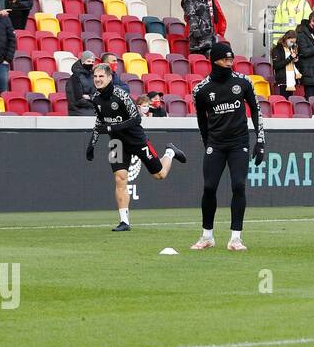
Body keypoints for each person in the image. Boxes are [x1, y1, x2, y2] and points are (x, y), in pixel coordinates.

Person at [86, 61, 186, 232]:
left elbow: (136, 119)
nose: (97, 79)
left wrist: (111, 128)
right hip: (116, 142)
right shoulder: (95, 98)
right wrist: (92, 143)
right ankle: (124, 221)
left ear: (110, 77)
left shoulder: (121, 94)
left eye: (101, 76)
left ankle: (170, 152)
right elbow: (99, 121)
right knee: (120, 178)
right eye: (95, 76)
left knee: (159, 175)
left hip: (136, 140)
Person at [189, 41, 264, 253]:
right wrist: (207, 144)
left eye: (231, 59)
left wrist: (260, 141)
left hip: (239, 142)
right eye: (225, 59)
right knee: (209, 187)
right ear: (214, 61)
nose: (229, 63)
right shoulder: (202, 90)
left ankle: (236, 238)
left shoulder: (244, 82)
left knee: (238, 186)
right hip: (216, 144)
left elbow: (256, 111)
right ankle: (207, 236)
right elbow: (202, 121)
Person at [66, 50, 99, 115]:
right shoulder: (75, 77)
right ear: (82, 61)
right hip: (78, 111)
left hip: (91, 109)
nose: (91, 64)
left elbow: (97, 95)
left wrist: (89, 97)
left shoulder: (92, 76)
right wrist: (94, 103)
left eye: (92, 62)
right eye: (88, 61)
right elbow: (78, 100)